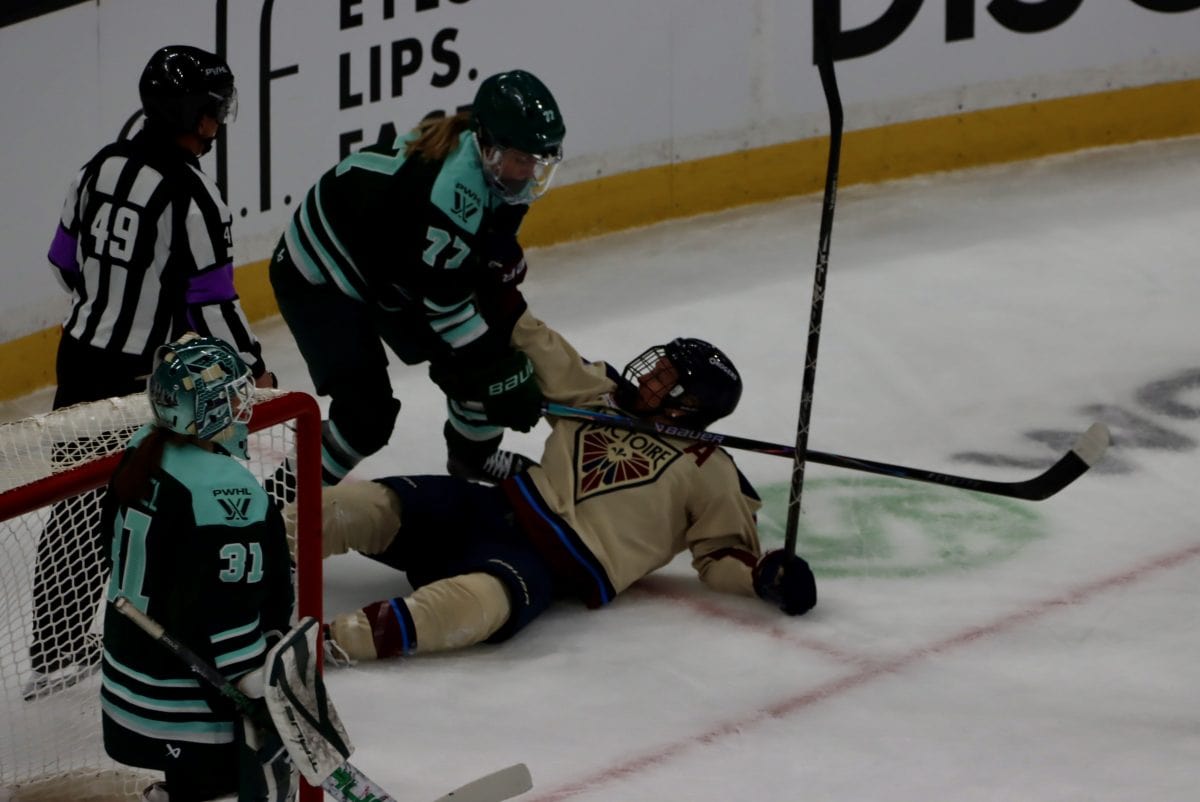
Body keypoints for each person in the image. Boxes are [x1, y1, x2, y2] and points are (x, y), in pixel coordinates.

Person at [308, 330, 817, 664]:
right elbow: (538, 341)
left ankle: (326, 645)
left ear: (689, 405)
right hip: (489, 507)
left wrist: (766, 577)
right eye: (658, 363)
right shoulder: (598, 393)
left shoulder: (712, 471)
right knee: (362, 506)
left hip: (547, 565)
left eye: (665, 376)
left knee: (474, 605)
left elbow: (720, 556)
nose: (648, 373)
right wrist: (499, 293)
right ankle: (243, 550)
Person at [26, 44, 276, 699]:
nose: (220, 123)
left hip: (79, 355)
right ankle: (159, 638)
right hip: (143, 380)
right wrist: (254, 368)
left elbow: (61, 259)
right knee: (155, 502)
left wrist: (106, 303)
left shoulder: (99, 166)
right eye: (215, 112)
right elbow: (213, 305)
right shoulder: (195, 197)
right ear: (194, 117)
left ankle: (54, 651)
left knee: (76, 505)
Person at [269, 69, 566, 488]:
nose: (529, 172)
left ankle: (472, 458)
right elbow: (448, 311)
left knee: (478, 357)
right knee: (365, 418)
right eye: (522, 159)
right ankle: (278, 505)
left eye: (539, 161)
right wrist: (501, 375)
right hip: (321, 272)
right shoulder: (452, 193)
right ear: (488, 145)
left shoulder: (498, 173)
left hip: (388, 266)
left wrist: (495, 365)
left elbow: (470, 279)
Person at [99, 334, 295, 802]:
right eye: (231, 396)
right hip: (183, 702)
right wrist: (256, 683)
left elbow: (107, 544)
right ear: (206, 410)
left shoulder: (141, 446)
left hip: (127, 678)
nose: (241, 404)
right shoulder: (227, 492)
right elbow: (229, 609)